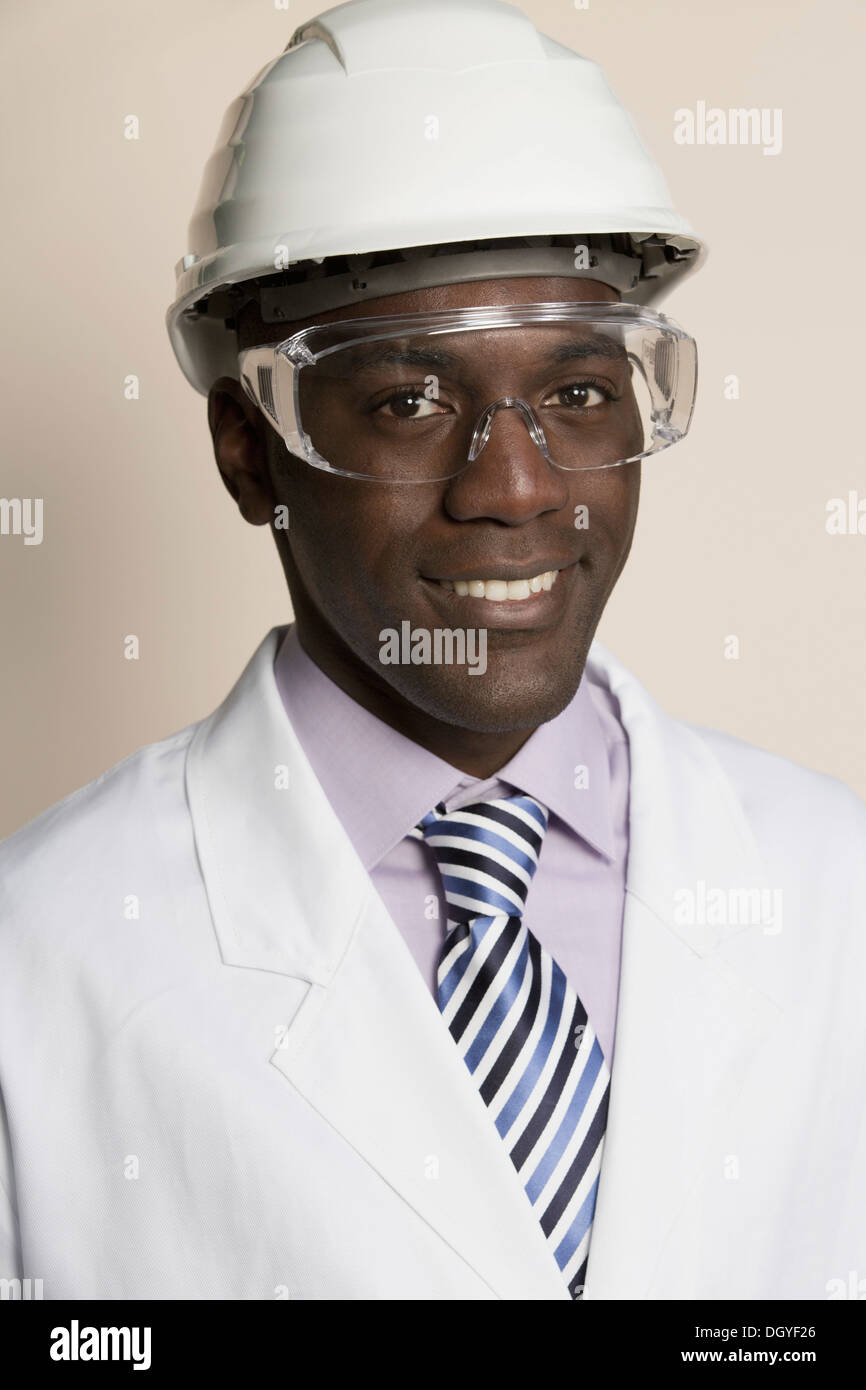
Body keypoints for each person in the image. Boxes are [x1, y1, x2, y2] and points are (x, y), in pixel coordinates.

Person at [1, 0, 864, 1303]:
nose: (514, 487)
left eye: (575, 391)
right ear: (248, 450)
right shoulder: (41, 958)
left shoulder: (831, 890)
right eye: (407, 401)